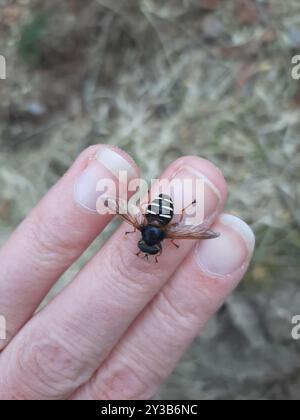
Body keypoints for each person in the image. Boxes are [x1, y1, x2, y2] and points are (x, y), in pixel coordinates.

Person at [0, 145, 255, 400]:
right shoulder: (165, 234)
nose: (146, 249)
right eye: (149, 247)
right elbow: (177, 229)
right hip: (161, 215)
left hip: (157, 213)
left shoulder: (142, 226)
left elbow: (140, 216)